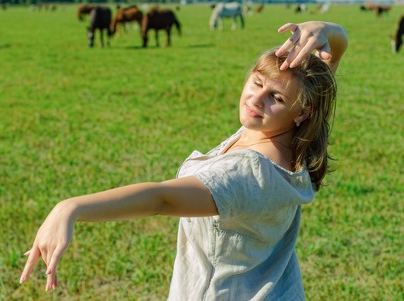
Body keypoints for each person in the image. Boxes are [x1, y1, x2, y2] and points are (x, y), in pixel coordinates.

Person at [20, 21, 348, 300]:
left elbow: (160, 198)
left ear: (301, 112)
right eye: (257, 82)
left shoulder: (249, 172)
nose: (255, 100)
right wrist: (327, 29)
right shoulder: (293, 134)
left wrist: (70, 208)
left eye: (275, 97)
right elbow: (333, 54)